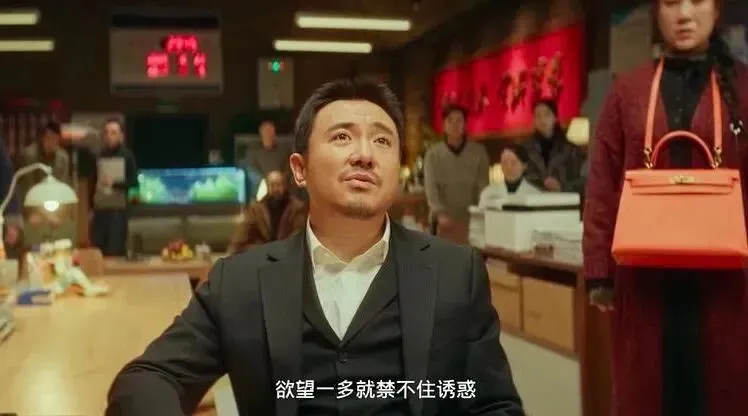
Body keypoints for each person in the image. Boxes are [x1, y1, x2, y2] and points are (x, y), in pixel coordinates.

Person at [107, 78, 524, 416]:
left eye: (382, 141)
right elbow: (145, 380)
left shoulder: (456, 273)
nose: (365, 155)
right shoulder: (239, 282)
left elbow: (495, 405)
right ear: (299, 169)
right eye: (342, 137)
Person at [583, 1, 748, 415]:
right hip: (645, 281)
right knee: (647, 393)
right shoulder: (628, 91)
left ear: (717, 10)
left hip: (727, 284)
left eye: (697, 1)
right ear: (658, 12)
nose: (684, 14)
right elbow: (602, 184)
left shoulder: (743, 89)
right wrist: (599, 272)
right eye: (672, 2)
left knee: (723, 389)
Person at [424, 105, 490, 241]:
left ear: (465, 125)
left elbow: (483, 187)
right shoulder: (433, 154)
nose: (454, 125)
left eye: (459, 120)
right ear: (444, 125)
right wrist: (440, 214)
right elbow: (431, 188)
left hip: (472, 221)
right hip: (442, 222)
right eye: (450, 120)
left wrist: (480, 214)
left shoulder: (479, 152)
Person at [227, 170, 306, 254]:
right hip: (263, 252)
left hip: (287, 251)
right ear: (267, 187)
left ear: (284, 186)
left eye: (278, 185)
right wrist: (231, 253)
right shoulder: (256, 209)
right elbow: (242, 233)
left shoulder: (296, 208)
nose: (275, 189)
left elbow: (298, 234)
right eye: (272, 185)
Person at [91, 119, 138, 256]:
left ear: (121, 136)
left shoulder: (127, 156)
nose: (109, 136)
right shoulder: (99, 156)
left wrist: (115, 183)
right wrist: (90, 208)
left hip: (118, 211)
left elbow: (134, 182)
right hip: (100, 210)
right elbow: (93, 183)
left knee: (115, 249)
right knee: (98, 249)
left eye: (113, 133)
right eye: (106, 133)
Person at [521, 100, 584, 192]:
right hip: (535, 198)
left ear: (555, 118)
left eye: (547, 115)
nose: (542, 120)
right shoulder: (524, 149)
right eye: (538, 116)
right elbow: (520, 179)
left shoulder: (571, 150)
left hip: (564, 198)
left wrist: (562, 187)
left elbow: (582, 181)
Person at [478, 144, 541, 208]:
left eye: (513, 163)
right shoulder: (488, 193)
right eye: (505, 162)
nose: (509, 167)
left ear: (524, 166)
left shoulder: (536, 194)